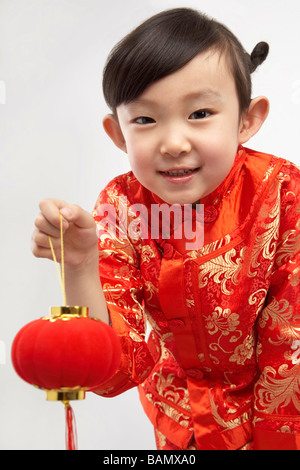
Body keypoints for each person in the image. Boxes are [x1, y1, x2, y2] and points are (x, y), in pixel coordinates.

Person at [31, 8, 300, 450]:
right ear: (118, 134)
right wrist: (79, 264)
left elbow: (289, 346)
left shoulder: (281, 194)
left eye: (199, 113)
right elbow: (117, 372)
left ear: (247, 120)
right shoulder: (121, 205)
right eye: (145, 120)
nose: (173, 143)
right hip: (176, 427)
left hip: (270, 424)